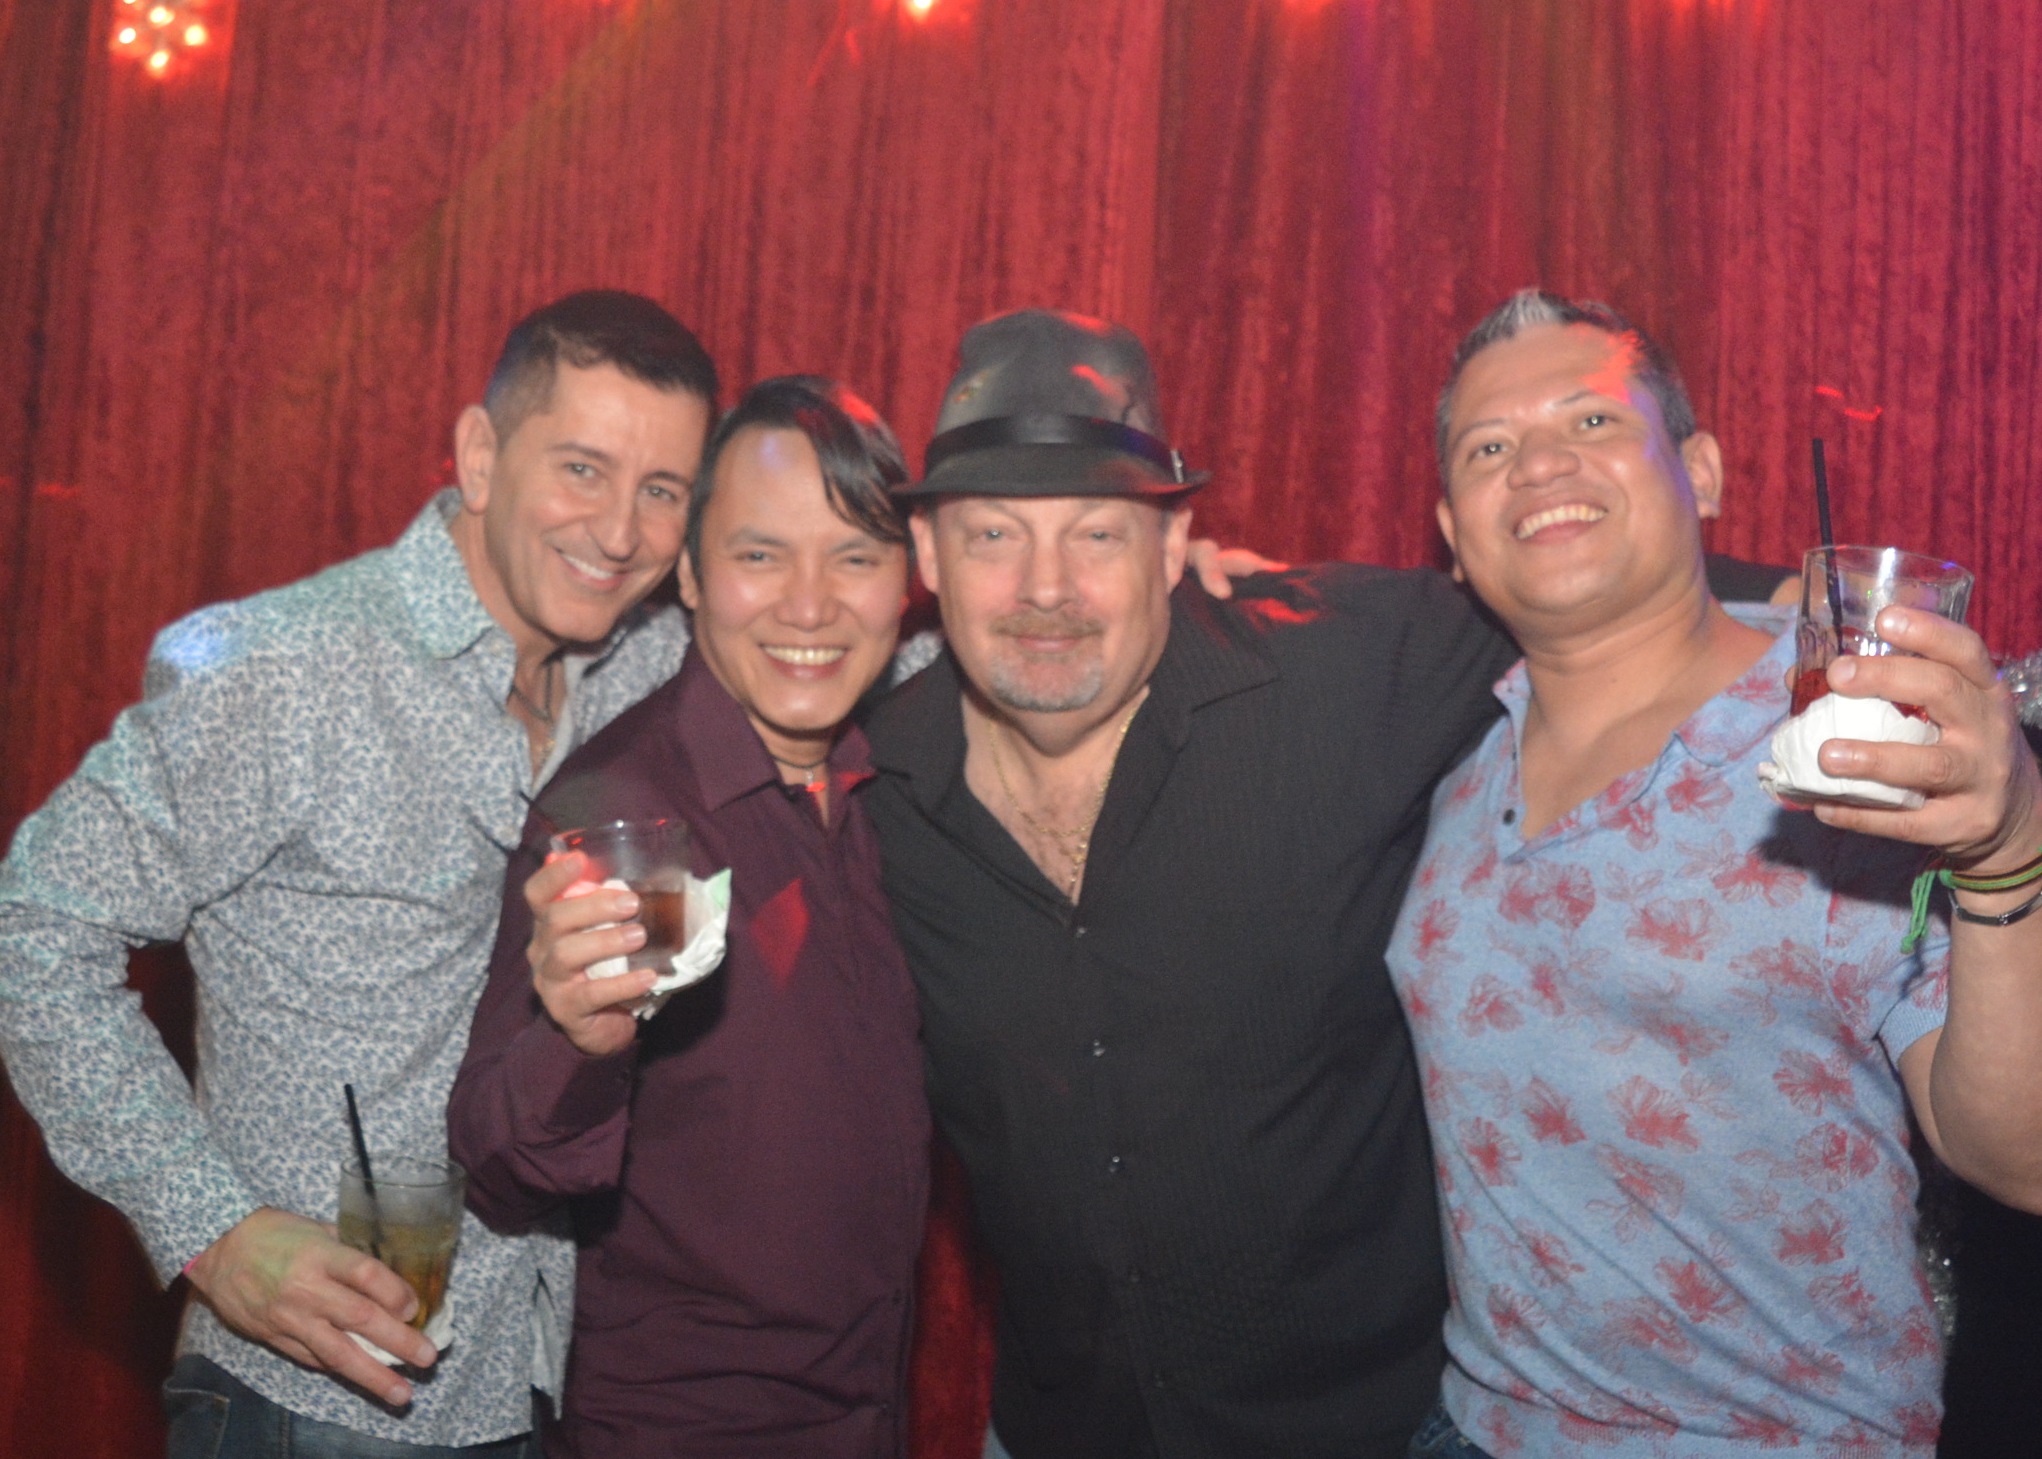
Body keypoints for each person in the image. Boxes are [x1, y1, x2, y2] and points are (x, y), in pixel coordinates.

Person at [0, 290, 718, 1455]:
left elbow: (820, 637)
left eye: (662, 490)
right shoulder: (289, 668)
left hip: (532, 1387)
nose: (619, 530)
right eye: (582, 468)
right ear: (480, 455)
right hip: (304, 1406)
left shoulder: (640, 673)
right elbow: (34, 928)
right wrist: (213, 1229)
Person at [1385, 289, 2042, 1458]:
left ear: (1699, 473)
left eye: (1589, 421)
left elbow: (2021, 1158)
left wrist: (2008, 852)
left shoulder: (1849, 737)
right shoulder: (1449, 765)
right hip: (1476, 1425)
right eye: (1487, 447)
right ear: (1450, 530)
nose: (1536, 463)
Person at [860, 308, 1525, 1459]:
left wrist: (1849, 661)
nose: (1045, 588)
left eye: (1097, 534)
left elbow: (1638, 608)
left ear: (1172, 546)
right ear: (926, 556)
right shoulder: (870, 791)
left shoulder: (1339, 677)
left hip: (1363, 1432)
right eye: (993, 535)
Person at [446, 377, 930, 1458]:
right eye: (761, 555)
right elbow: (497, 1159)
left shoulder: (884, 780)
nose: (810, 605)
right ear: (693, 578)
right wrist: (579, 1039)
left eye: (854, 558)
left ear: (909, 581)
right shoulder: (638, 823)